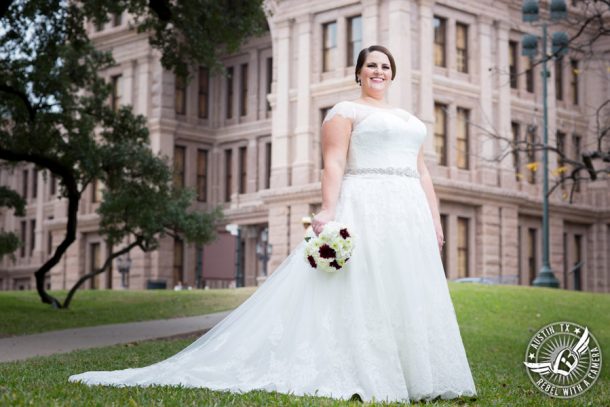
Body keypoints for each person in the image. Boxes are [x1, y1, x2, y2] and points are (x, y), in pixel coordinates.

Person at [69, 45, 478, 403]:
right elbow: (333, 163)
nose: (378, 72)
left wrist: (432, 216)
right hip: (366, 204)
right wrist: (327, 211)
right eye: (370, 65)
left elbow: (422, 170)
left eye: (385, 66)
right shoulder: (344, 112)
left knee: (405, 287)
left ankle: (417, 375)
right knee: (363, 287)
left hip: (407, 211)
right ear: (358, 72)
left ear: (392, 74)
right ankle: (365, 368)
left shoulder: (407, 117)